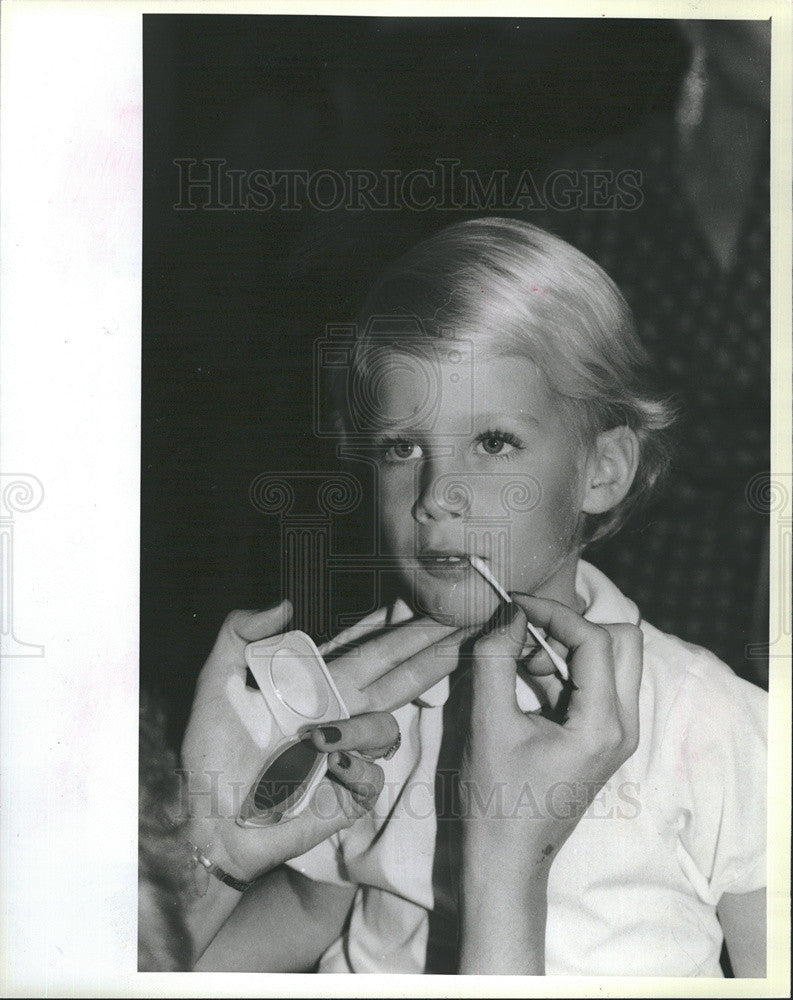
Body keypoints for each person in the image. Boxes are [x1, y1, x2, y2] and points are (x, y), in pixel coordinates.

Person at [194, 218, 767, 976]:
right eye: (402, 448)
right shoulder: (351, 695)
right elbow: (307, 909)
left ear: (601, 470)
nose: (436, 497)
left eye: (493, 443)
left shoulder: (709, 720)